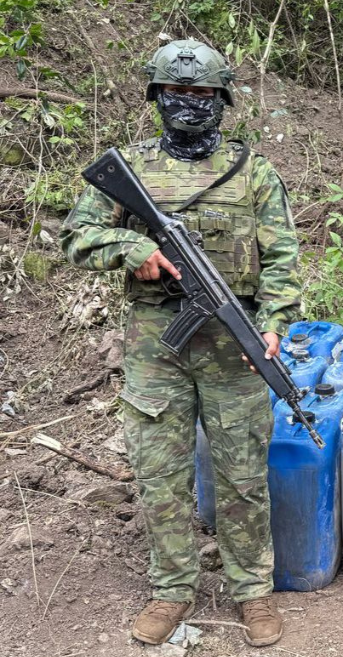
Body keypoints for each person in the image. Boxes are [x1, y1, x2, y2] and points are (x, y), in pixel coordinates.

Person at [60, 39, 301, 648]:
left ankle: (252, 590)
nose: (189, 102)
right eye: (175, 92)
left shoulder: (252, 172)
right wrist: (132, 248)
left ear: (222, 99)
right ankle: (171, 588)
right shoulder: (129, 168)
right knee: (160, 473)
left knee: (242, 473)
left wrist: (274, 322)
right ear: (156, 97)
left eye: (201, 93)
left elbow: (281, 257)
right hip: (155, 346)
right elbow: (76, 236)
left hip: (233, 345)